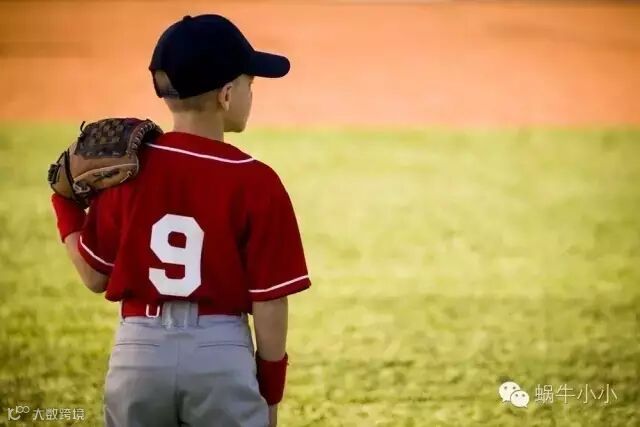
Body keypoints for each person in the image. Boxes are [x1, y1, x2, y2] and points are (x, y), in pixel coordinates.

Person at [50, 14, 311, 427]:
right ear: (227, 95)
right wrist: (271, 393)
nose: (252, 94)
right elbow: (270, 301)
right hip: (219, 354)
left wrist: (64, 205)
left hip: (139, 351)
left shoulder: (127, 173)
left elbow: (95, 275)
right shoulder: (256, 181)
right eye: (250, 84)